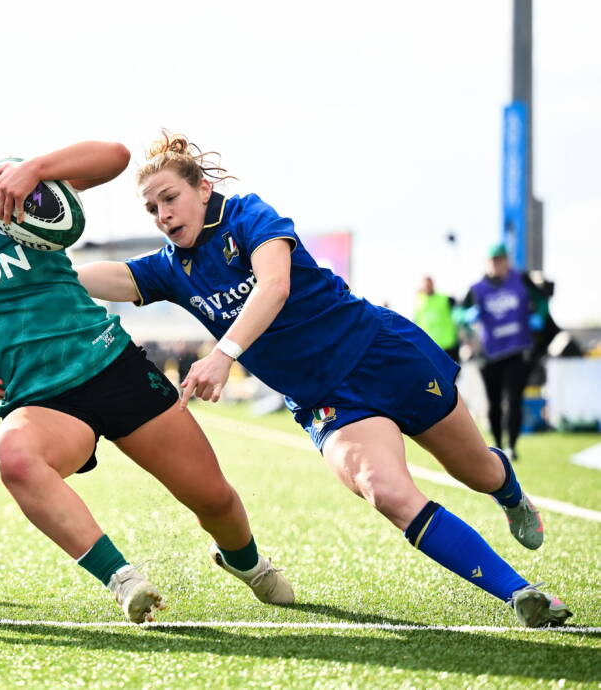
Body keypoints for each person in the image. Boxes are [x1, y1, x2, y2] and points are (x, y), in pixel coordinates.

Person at [75, 132, 572, 628]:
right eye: (151, 208)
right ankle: (521, 594)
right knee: (387, 492)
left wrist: (224, 355)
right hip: (327, 401)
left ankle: (510, 495)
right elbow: (105, 278)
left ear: (202, 188)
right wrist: (46, 268)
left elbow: (275, 284)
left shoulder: (249, 215)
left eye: (169, 198)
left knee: (477, 472)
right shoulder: (170, 268)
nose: (162, 214)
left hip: (382, 355)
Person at [0, 125, 294, 623]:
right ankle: (123, 580)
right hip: (40, 402)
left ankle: (246, 563)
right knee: (14, 456)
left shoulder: (17, 194)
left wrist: (35, 169)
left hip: (112, 366)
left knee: (212, 497)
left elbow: (114, 156)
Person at [461, 243, 548, 461]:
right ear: (487, 263)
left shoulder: (521, 279)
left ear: (507, 261)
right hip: (489, 353)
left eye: (501, 260)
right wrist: (467, 316)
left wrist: (538, 317)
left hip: (517, 349)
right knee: (494, 401)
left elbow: (543, 300)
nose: (497, 264)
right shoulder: (477, 288)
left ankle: (512, 445)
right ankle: (498, 446)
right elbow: (459, 313)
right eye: (493, 261)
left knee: (514, 398)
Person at [414, 276, 460, 363]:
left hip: (449, 345)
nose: (427, 286)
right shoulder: (418, 302)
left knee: (453, 375)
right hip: (431, 347)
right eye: (425, 285)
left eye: (429, 284)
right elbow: (416, 322)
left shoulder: (445, 299)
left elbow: (459, 309)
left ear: (433, 284)